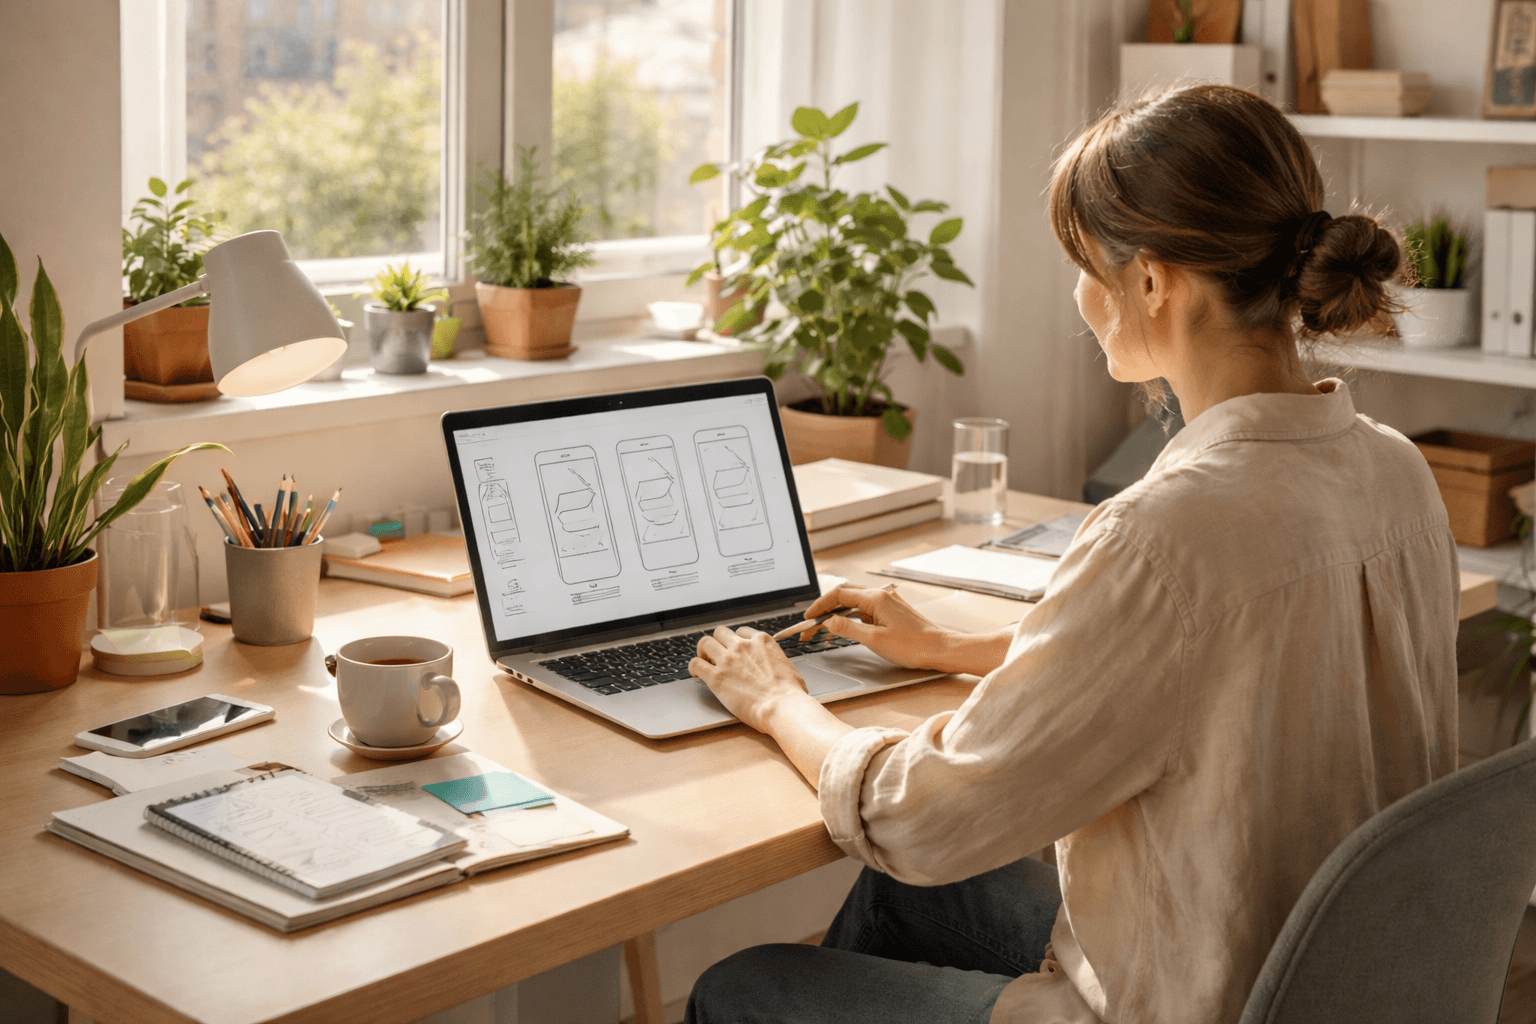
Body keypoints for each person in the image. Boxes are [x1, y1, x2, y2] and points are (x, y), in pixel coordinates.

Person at [684, 83, 1459, 1024]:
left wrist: (778, 701)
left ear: (1152, 280)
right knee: (904, 897)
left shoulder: (1164, 533)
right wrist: (959, 652)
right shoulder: (1396, 470)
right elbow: (1230, 671)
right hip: (1319, 971)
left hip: (1187, 993)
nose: (1080, 295)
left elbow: (914, 814)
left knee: (743, 988)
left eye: (1086, 263)